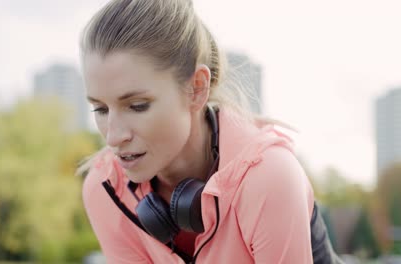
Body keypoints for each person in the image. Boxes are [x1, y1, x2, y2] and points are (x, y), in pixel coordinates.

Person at [78, 0, 341, 263]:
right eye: (100, 109)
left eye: (137, 106)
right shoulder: (103, 188)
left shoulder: (270, 177)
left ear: (196, 89)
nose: (113, 137)